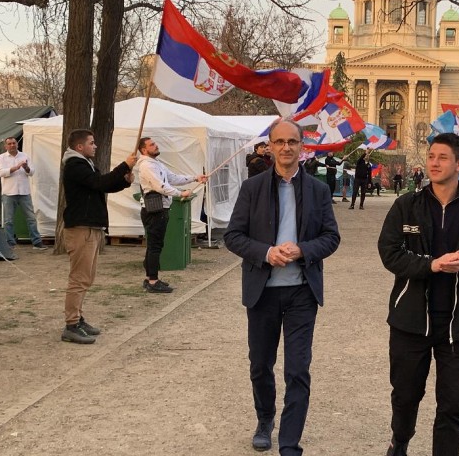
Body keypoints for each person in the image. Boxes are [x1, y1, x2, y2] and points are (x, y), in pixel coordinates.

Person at [377, 133, 459, 456]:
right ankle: (400, 440)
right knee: (405, 395)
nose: (434, 163)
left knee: (451, 404)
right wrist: (431, 265)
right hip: (410, 321)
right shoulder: (407, 206)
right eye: (431, 156)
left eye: (442, 157)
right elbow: (390, 253)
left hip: (458, 326)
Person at [223, 119, 340, 455]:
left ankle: (289, 444)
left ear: (302, 146)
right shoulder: (253, 188)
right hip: (263, 291)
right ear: (270, 146)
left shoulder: (318, 190)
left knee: (297, 370)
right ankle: (265, 419)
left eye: (292, 141)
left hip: (302, 291)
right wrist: (266, 253)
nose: (286, 147)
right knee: (260, 365)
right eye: (279, 142)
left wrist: (303, 249)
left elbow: (331, 237)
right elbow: (233, 236)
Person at [60, 129, 136, 344]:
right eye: (91, 143)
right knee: (79, 278)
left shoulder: (86, 164)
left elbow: (103, 185)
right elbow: (98, 183)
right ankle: (71, 325)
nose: (95, 146)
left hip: (90, 227)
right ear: (79, 146)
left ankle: (78, 318)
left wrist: (124, 181)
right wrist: (125, 165)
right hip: (80, 228)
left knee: (87, 277)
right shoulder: (75, 165)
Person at [136, 137, 208, 294]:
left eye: (155, 143)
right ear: (144, 150)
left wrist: (195, 178)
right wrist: (180, 193)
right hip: (154, 211)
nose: (156, 146)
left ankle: (150, 277)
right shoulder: (147, 165)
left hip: (160, 209)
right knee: (155, 245)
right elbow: (160, 186)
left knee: (155, 244)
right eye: (152, 145)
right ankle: (153, 281)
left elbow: (173, 178)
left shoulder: (156, 164)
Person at [0, 136, 46, 250]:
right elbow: (0, 172)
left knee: (31, 218)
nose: (12, 145)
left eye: (14, 143)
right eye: (9, 144)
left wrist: (26, 167)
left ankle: (37, 242)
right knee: (8, 220)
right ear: (5, 146)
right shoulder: (1, 158)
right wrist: (16, 168)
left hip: (24, 191)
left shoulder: (25, 156)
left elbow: (32, 172)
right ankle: (10, 243)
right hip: (9, 192)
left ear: (17, 144)